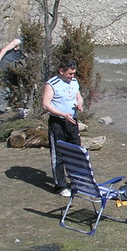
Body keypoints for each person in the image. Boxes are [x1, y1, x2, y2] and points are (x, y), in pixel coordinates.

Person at [42, 59, 84, 197]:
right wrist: (62, 114)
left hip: (72, 122)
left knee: (76, 152)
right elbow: (46, 104)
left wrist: (79, 104)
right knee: (58, 155)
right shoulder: (52, 84)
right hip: (58, 122)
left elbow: (79, 97)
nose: (72, 76)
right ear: (61, 71)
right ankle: (60, 186)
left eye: (74, 73)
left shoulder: (74, 82)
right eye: (70, 73)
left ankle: (77, 182)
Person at [0, 37, 22, 114]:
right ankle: (0, 109)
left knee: (17, 85)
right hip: (7, 64)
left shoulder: (30, 44)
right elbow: (4, 49)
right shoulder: (18, 41)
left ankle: (17, 106)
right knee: (7, 86)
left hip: (16, 65)